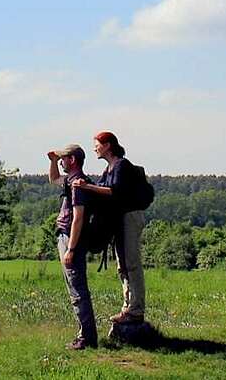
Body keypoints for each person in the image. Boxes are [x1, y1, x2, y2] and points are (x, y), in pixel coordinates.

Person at [72, 131, 146, 325]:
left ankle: (136, 310)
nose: (94, 148)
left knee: (131, 263)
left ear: (107, 145)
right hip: (120, 220)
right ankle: (127, 308)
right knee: (123, 265)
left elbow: (114, 192)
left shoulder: (122, 165)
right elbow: (102, 189)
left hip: (130, 217)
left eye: (96, 144)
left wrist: (87, 187)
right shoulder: (109, 168)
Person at [48, 143, 97, 350]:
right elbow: (54, 179)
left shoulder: (78, 184)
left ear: (73, 160)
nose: (61, 162)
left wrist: (71, 249)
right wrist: (52, 161)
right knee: (74, 288)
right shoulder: (71, 181)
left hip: (71, 238)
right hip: (66, 236)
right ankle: (85, 336)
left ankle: (86, 338)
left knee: (77, 290)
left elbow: (78, 218)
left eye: (63, 159)